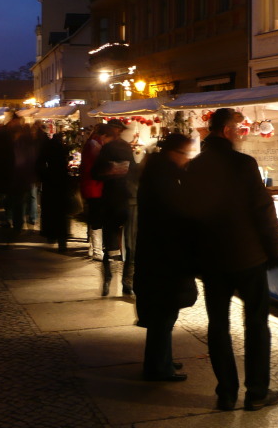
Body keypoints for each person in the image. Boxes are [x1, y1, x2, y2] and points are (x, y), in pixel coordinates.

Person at [182, 108, 278, 412]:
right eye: (239, 129)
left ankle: (226, 393)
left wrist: (193, 255)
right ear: (226, 131)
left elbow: (187, 216)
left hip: (213, 260)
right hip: (247, 256)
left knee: (217, 326)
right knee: (256, 324)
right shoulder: (243, 164)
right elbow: (262, 210)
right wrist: (274, 249)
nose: (242, 134)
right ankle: (256, 392)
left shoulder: (194, 167)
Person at [134, 133, 198, 382]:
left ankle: (163, 359)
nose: (187, 159)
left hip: (158, 253)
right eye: (185, 154)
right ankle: (158, 367)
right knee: (164, 312)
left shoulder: (159, 171)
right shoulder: (164, 176)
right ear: (174, 153)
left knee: (164, 313)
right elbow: (174, 213)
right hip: (164, 256)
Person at [91, 120, 137, 296]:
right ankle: (118, 280)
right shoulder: (112, 148)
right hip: (119, 199)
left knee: (119, 244)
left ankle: (117, 280)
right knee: (122, 244)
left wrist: (110, 171)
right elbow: (96, 172)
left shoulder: (115, 147)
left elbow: (96, 173)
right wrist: (111, 171)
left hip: (118, 199)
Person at [79, 124, 110, 260]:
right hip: (95, 186)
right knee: (97, 217)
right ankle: (97, 250)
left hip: (91, 186)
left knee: (94, 216)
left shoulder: (92, 142)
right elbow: (99, 164)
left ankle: (93, 247)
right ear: (104, 135)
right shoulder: (95, 144)